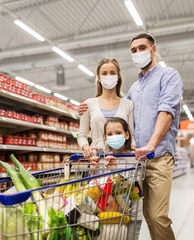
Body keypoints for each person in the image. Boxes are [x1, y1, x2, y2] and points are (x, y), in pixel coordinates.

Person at [78, 33, 183, 240]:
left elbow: (166, 111)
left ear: (153, 49)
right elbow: (118, 118)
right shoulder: (134, 89)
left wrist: (150, 146)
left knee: (158, 216)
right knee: (143, 215)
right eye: (133, 50)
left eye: (142, 48)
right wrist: (86, 107)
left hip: (158, 156)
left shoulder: (168, 76)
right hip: (132, 162)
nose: (137, 53)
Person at [90, 117, 143, 240]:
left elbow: (134, 190)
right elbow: (98, 187)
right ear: (105, 138)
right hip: (106, 214)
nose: (114, 136)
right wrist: (94, 170)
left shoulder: (135, 159)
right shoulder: (102, 158)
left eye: (118, 133)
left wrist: (116, 171)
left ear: (126, 135)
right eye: (110, 134)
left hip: (131, 214)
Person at [77, 57, 136, 159]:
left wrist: (134, 150)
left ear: (118, 77)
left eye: (112, 73)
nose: (108, 76)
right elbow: (82, 135)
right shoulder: (88, 104)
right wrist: (86, 147)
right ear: (99, 78)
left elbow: (131, 135)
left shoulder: (128, 104)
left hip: (123, 159)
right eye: (104, 73)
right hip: (97, 158)